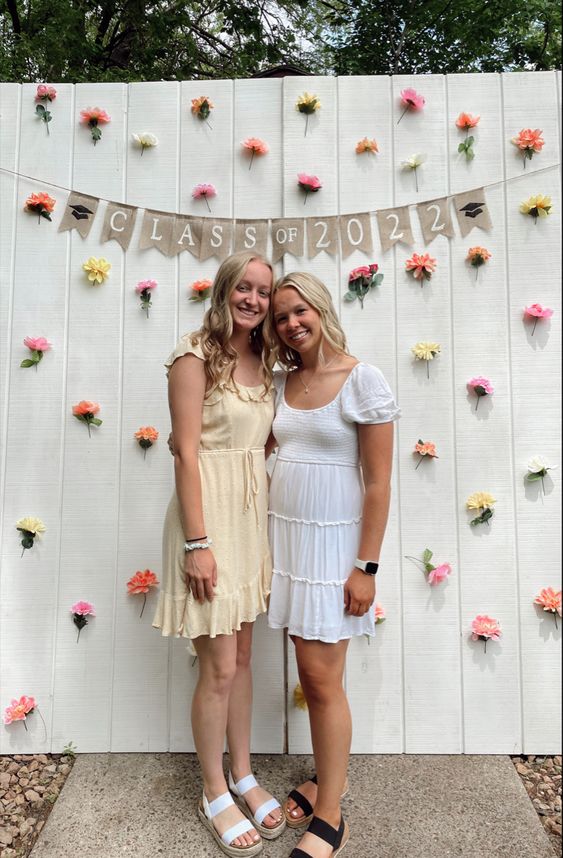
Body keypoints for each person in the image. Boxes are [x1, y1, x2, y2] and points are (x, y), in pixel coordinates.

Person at [153, 251, 285, 856]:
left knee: (246, 660)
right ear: (225, 290)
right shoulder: (193, 355)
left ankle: (245, 773)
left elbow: (259, 440)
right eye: (245, 288)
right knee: (219, 667)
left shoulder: (266, 360)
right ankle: (213, 791)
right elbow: (185, 453)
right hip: (208, 521)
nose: (254, 300)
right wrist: (197, 544)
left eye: (264, 291)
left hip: (249, 521)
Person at [266, 272, 399, 858]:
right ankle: (326, 779)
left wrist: (365, 567)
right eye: (280, 317)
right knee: (315, 677)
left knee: (321, 681)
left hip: (335, 551)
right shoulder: (283, 381)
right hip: (291, 547)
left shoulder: (360, 378)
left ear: (320, 309)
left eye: (300, 312)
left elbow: (378, 482)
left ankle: (331, 815)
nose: (291, 324)